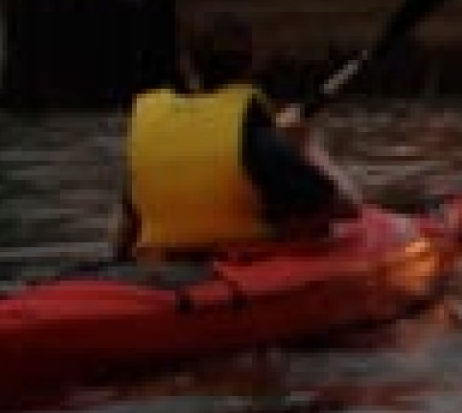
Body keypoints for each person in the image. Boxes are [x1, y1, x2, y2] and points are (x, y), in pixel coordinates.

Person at [111, 18, 363, 259]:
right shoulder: (261, 143)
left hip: (156, 270)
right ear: (253, 65)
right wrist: (307, 143)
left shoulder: (158, 137)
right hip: (233, 271)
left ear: (188, 68)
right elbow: (349, 206)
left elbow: (121, 237)